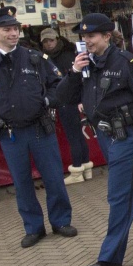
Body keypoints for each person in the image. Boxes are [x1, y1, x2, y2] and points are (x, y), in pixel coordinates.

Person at [57, 13, 133, 266]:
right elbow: (61, 97)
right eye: (83, 37)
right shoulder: (84, 66)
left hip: (127, 134)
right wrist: (74, 71)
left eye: (92, 36)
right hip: (105, 135)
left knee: (118, 195)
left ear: (107, 36)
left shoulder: (126, 62)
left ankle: (110, 259)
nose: (87, 41)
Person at [0, 6, 76, 248]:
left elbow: (58, 85)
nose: (13, 33)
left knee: (54, 178)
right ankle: (34, 228)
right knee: (22, 182)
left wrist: (46, 100)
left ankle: (60, 221)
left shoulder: (35, 58)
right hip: (10, 133)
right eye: (7, 30)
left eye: (16, 29)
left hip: (40, 128)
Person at [39, 28, 93, 185]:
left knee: (73, 136)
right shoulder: (48, 57)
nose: (48, 44)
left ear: (57, 39)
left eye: (51, 40)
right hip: (68, 99)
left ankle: (77, 169)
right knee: (77, 135)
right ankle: (85, 167)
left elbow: (77, 78)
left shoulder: (67, 54)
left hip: (68, 100)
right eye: (45, 42)